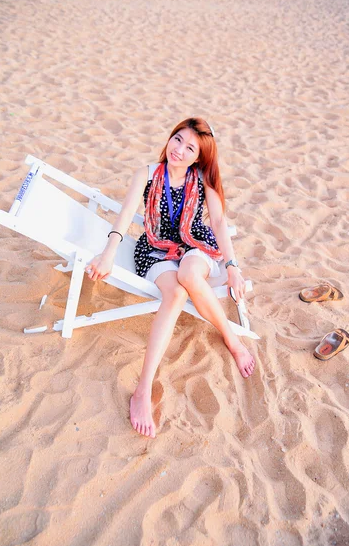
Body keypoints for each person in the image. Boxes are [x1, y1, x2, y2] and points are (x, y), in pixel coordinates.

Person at [86, 118, 256, 438]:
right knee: (176, 294)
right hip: (154, 250)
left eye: (189, 147)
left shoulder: (202, 178)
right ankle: (143, 390)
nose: (178, 150)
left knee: (190, 274)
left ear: (198, 157)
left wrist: (232, 266)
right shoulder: (147, 174)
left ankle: (233, 342)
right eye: (176, 140)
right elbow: (123, 218)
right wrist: (108, 253)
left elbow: (218, 223)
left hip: (195, 244)